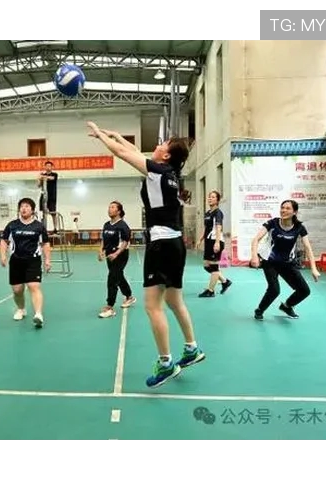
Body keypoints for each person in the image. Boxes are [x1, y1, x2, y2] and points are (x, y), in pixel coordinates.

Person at [87, 122, 205, 388]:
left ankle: (166, 363)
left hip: (161, 244)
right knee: (174, 300)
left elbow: (123, 154)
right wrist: (117, 134)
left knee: (152, 306)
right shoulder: (170, 173)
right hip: (175, 244)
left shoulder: (158, 171)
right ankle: (191, 348)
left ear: (166, 155)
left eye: (163, 144)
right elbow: (133, 152)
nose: (158, 145)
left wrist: (101, 134)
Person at [250, 199, 321, 320]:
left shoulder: (299, 227)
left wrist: (314, 269)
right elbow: (256, 239)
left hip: (287, 263)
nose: (283, 210)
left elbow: (308, 248)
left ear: (295, 212)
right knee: (274, 290)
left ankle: (287, 306)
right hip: (270, 262)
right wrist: (254, 256)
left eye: (288, 208)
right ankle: (260, 310)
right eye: (282, 208)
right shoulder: (272, 223)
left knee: (304, 291)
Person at [0, 197, 51, 329]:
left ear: (32, 210)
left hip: (33, 260)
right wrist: (3, 255)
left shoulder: (39, 226)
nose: (24, 208)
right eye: (22, 206)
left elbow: (45, 243)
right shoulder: (12, 225)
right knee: (17, 290)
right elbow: (4, 241)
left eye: (27, 206)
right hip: (16, 261)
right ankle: (21, 309)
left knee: (34, 286)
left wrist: (47, 260)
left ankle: (38, 314)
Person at [98, 201, 136, 318]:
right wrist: (101, 250)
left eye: (112, 207)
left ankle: (109, 307)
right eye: (109, 207)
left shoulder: (123, 226)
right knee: (118, 276)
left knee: (112, 278)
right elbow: (104, 239)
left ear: (119, 211)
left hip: (121, 255)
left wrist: (116, 253)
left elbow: (125, 242)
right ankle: (129, 297)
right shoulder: (106, 225)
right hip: (109, 255)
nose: (109, 209)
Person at [197, 190, 232, 297]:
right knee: (206, 265)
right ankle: (225, 282)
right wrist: (200, 239)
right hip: (208, 241)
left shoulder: (218, 213)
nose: (210, 198)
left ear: (217, 200)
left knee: (214, 267)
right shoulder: (208, 213)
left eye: (213, 197)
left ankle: (211, 291)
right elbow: (206, 228)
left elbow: (218, 227)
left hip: (215, 241)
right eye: (209, 197)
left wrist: (217, 243)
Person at [38, 161, 59, 233]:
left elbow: (52, 178)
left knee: (53, 213)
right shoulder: (42, 175)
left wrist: (42, 177)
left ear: (52, 167)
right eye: (47, 166)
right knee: (42, 213)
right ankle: (43, 228)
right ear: (45, 167)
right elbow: (38, 185)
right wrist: (39, 178)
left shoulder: (55, 174)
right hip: (43, 196)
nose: (48, 167)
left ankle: (55, 228)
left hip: (52, 196)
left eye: (49, 166)